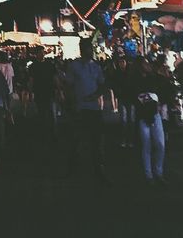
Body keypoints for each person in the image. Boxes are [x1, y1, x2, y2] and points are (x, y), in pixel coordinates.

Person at [65, 38, 109, 182]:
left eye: (90, 48)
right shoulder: (74, 66)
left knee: (97, 141)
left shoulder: (96, 67)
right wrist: (73, 104)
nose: (89, 51)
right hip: (80, 108)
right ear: (82, 49)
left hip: (93, 108)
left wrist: (95, 96)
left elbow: (102, 84)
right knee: (76, 139)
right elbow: (69, 86)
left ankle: (99, 169)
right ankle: (73, 168)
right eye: (87, 48)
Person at [132, 57, 173, 186]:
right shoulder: (135, 80)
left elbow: (165, 88)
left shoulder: (154, 78)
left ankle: (158, 172)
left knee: (160, 144)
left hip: (155, 114)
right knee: (147, 145)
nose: (147, 65)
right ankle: (149, 174)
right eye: (145, 63)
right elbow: (133, 96)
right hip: (143, 116)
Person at [28, 48, 57, 141]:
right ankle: (46, 132)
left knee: (49, 112)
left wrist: (59, 89)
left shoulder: (48, 65)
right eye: (39, 53)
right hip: (40, 92)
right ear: (36, 54)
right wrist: (31, 92)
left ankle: (51, 132)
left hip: (48, 91)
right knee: (44, 112)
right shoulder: (33, 66)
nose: (41, 54)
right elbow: (31, 80)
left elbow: (55, 78)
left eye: (42, 53)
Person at [110, 56, 136, 148]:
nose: (122, 63)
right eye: (120, 62)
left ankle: (131, 139)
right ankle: (125, 139)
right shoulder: (117, 73)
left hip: (130, 98)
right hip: (123, 98)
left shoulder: (130, 72)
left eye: (123, 61)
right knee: (124, 120)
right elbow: (114, 85)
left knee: (131, 120)